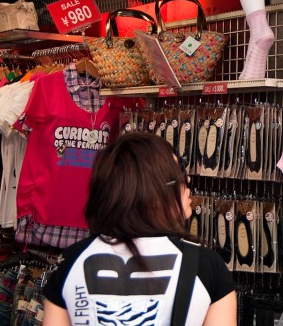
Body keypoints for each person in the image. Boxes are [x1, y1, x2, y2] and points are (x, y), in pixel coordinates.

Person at [42, 132, 237, 326]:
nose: (187, 183)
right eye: (179, 175)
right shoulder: (206, 266)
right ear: (152, 191)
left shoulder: (71, 261)